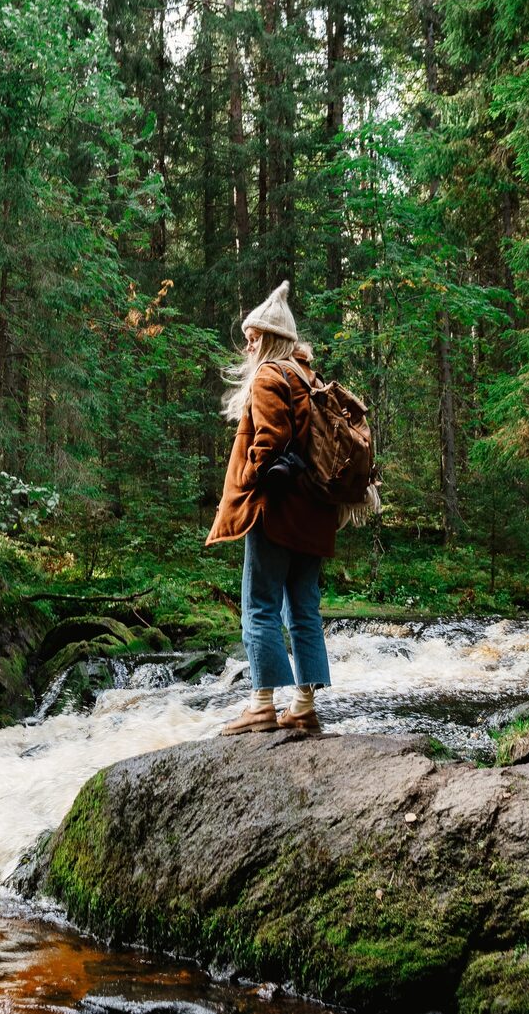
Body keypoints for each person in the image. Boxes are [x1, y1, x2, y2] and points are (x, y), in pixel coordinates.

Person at [206, 281, 339, 734]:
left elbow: (270, 441)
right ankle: (303, 706)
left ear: (271, 338)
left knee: (259, 604)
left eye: (255, 335)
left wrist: (251, 480)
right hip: (315, 515)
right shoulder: (309, 378)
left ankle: (262, 705)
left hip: (277, 512)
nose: (249, 342)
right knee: (303, 607)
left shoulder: (269, 376)